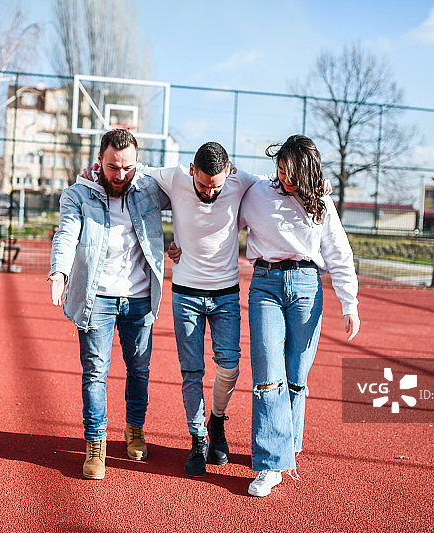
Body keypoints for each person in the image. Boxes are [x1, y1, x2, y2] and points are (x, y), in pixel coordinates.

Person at [85, 142, 263, 478]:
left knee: (230, 366)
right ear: (192, 170)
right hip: (186, 294)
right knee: (191, 372)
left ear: (229, 174)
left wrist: (317, 185)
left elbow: (277, 185)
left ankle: (216, 422)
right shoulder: (175, 176)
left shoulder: (241, 181)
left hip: (226, 294)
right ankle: (198, 439)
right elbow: (133, 171)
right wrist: (93, 174)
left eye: (216, 187)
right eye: (203, 185)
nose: (209, 192)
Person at [237, 134, 360, 497]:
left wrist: (350, 303)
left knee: (296, 375)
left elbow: (338, 252)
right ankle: (271, 464)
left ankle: (286, 444)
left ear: (308, 173)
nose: (284, 179)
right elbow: (221, 200)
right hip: (266, 285)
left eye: (292, 174)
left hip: (307, 287)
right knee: (267, 374)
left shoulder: (321, 201)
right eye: (280, 170)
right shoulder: (257, 192)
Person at [48, 129, 170, 480]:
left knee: (139, 370)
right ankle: (95, 443)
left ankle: (134, 429)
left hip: (139, 298)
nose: (120, 175)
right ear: (99, 160)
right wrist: (59, 271)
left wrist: (180, 243)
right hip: (96, 298)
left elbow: (190, 194)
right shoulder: (78, 195)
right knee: (95, 373)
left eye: (128, 167)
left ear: (138, 163)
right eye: (113, 167)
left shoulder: (149, 188)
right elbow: (66, 234)